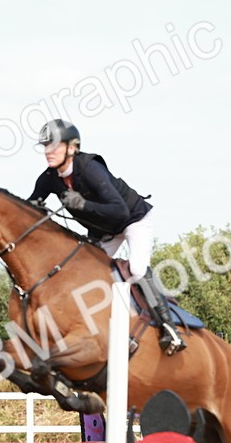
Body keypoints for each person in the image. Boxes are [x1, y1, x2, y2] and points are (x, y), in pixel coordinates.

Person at [27, 119, 185, 354]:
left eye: (55, 146)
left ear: (72, 148)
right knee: (81, 273)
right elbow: (30, 206)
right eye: (46, 147)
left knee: (138, 269)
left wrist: (82, 204)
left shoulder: (90, 168)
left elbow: (119, 210)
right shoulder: (49, 179)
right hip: (104, 231)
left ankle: (169, 327)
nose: (49, 152)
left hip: (133, 219)